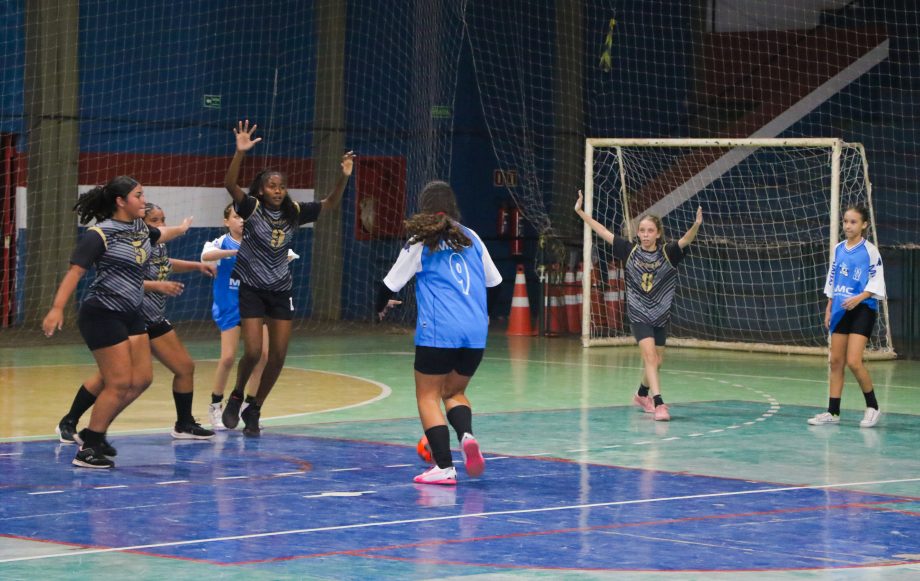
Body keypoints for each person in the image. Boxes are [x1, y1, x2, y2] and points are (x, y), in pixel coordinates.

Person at [43, 177, 191, 468]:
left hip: (132, 313)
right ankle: (89, 449)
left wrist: (183, 229)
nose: (143, 200)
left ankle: (91, 433)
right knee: (119, 381)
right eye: (138, 195)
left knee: (142, 380)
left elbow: (161, 233)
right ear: (120, 202)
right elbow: (75, 273)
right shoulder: (99, 234)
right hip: (102, 312)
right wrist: (56, 309)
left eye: (143, 193)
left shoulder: (140, 229)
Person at [220, 120, 355, 436]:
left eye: (281, 186)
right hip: (252, 288)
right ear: (262, 189)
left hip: (280, 290)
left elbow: (331, 204)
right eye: (271, 186)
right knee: (254, 352)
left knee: (278, 356)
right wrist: (240, 152)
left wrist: (344, 176)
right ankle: (237, 394)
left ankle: (254, 408)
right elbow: (229, 184)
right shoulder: (251, 207)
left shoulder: (294, 210)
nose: (277, 191)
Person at [55, 203, 217, 446]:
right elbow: (122, 281)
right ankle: (71, 422)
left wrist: (196, 266)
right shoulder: (132, 245)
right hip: (130, 316)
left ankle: (184, 423)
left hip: (154, 318)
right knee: (112, 378)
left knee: (184, 367)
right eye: (154, 220)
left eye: (163, 219)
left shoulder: (157, 246)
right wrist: (157, 286)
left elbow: (167, 264)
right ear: (143, 222)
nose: (160, 225)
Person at [377, 180, 502, 486]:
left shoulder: (421, 240)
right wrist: (482, 316)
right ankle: (467, 435)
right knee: (454, 392)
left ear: (425, 208)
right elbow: (495, 284)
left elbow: (388, 285)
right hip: (474, 333)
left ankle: (444, 466)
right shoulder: (472, 237)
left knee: (428, 396)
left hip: (439, 332)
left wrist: (380, 308)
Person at [574, 190, 702, 421]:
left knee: (657, 361)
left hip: (661, 315)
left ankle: (642, 394)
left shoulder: (668, 253)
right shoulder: (629, 250)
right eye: (642, 230)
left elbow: (686, 240)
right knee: (650, 359)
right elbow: (602, 231)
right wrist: (581, 212)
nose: (645, 234)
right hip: (638, 314)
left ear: (658, 233)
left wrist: (696, 225)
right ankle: (659, 403)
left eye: (650, 231)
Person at [201, 203, 298, 430]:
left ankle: (248, 406)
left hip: (256, 305)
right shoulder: (221, 242)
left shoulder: (261, 243)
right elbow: (207, 255)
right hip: (230, 305)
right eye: (236, 217)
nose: (241, 220)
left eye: (244, 217)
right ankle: (215, 405)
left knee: (262, 356)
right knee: (227, 358)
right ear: (226, 221)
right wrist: (235, 252)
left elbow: (287, 255)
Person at [808, 206, 886, 428]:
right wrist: (829, 305)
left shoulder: (870, 251)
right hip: (840, 308)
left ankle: (873, 407)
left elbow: (876, 281)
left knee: (853, 361)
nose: (848, 226)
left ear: (864, 225)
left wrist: (859, 298)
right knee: (835, 361)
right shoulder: (839, 249)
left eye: (853, 222)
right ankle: (833, 412)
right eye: (845, 221)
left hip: (862, 309)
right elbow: (832, 280)